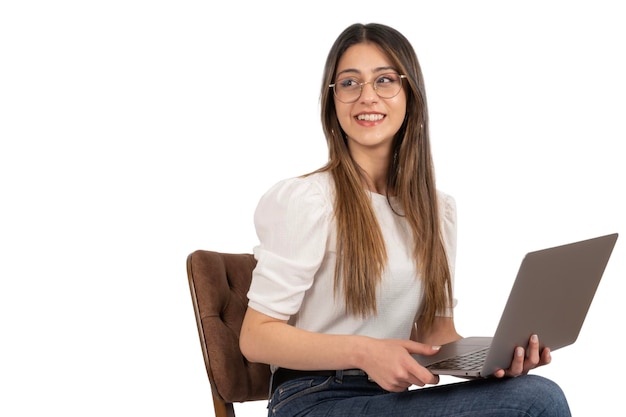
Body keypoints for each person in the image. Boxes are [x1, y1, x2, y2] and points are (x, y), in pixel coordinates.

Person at [239, 22, 571, 417]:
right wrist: (365, 352)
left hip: (390, 398)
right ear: (332, 100)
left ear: (410, 95)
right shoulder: (307, 200)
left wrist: (495, 360)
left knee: (532, 388)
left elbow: (435, 335)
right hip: (315, 397)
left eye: (384, 80)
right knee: (536, 402)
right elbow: (255, 338)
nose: (367, 97)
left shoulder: (435, 210)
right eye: (349, 83)